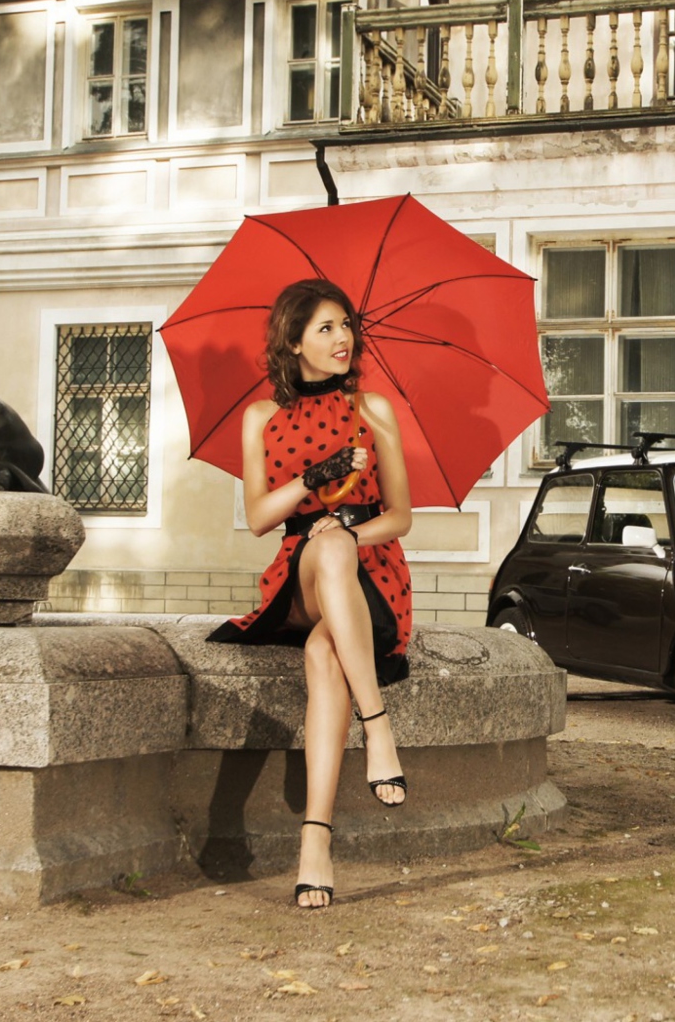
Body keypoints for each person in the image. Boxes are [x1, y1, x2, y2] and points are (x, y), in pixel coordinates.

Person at [207, 278, 415, 909]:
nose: (342, 338)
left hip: (371, 571)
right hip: (297, 572)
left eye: (346, 325)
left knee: (324, 654)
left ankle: (314, 843)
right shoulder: (260, 418)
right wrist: (314, 480)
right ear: (292, 341)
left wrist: (348, 525)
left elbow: (401, 516)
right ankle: (378, 726)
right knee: (319, 545)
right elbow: (260, 518)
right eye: (325, 328)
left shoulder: (373, 410)